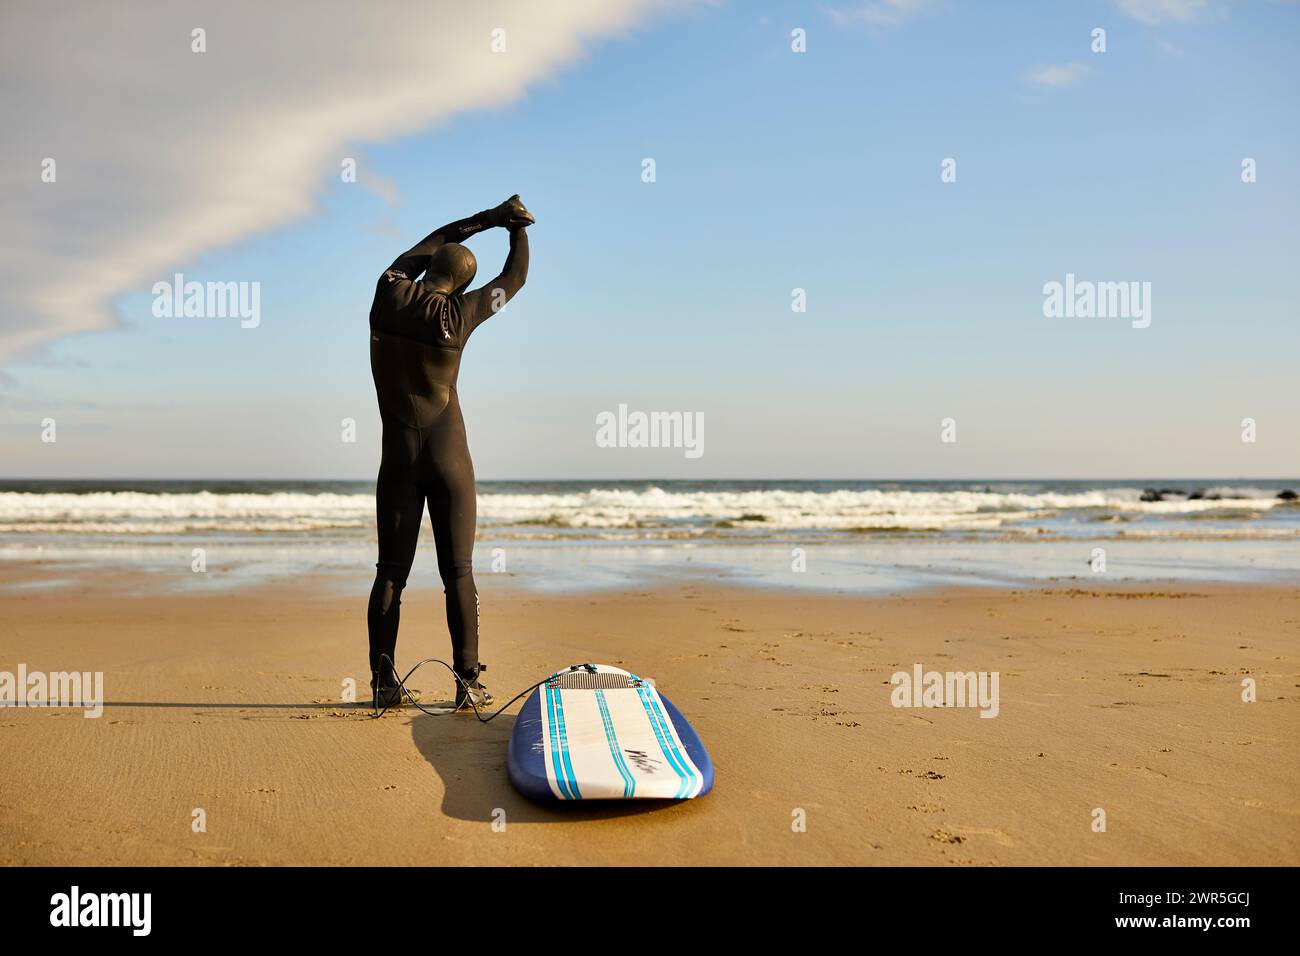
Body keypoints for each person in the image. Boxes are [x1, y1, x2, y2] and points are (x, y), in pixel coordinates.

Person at [367, 195, 534, 709]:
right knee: (457, 570)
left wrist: (487, 219)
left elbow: (434, 241)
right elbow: (514, 280)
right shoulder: (461, 313)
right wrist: (518, 230)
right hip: (449, 457)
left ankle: (382, 685)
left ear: (432, 268)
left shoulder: (387, 292)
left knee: (390, 571)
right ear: (463, 282)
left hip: (397, 455)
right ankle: (467, 683)